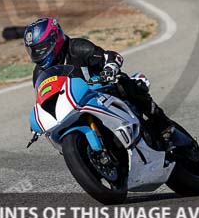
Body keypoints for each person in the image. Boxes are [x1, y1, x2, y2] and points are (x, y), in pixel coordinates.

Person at [24, 17, 174, 145]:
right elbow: (43, 97)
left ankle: (163, 125)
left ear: (54, 39)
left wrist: (109, 68)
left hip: (102, 91)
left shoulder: (76, 47)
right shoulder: (39, 73)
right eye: (34, 50)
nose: (38, 53)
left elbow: (109, 57)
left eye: (41, 47)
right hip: (73, 108)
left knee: (126, 84)